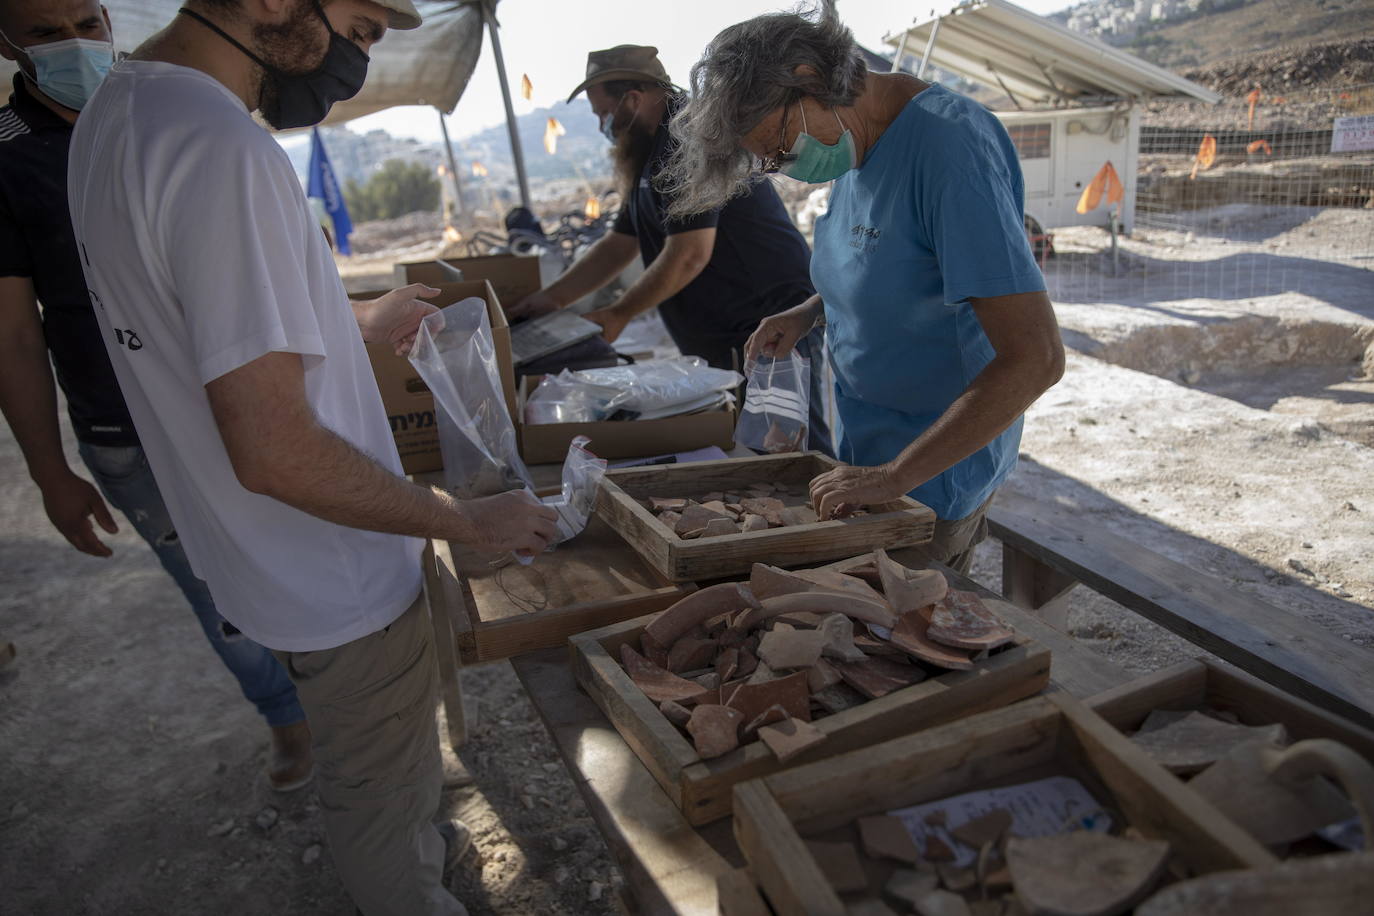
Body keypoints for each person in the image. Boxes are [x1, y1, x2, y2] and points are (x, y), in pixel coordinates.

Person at [66, 1, 559, 913]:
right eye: (362, 27)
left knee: (392, 776)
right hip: (333, 572)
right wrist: (462, 521)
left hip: (259, 561)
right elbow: (277, 452)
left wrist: (355, 319)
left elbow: (203, 311)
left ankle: (419, 846)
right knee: (374, 796)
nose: (355, 60)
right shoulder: (223, 149)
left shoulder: (119, 114)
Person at [0, 0, 314, 790]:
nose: (75, 44)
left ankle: (348, 705)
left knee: (305, 551)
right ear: (5, 44)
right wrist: (50, 473)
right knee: (219, 592)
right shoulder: (6, 158)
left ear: (109, 20)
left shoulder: (164, 108)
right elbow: (12, 336)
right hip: (128, 425)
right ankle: (289, 716)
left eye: (85, 23)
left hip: (236, 396)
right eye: (45, 34)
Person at [660, 6, 1065, 572]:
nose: (781, 166)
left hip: (932, 471)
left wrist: (895, 476)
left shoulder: (949, 150)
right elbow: (895, 267)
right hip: (869, 455)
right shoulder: (855, 143)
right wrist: (808, 312)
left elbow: (1036, 358)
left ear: (807, 80)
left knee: (902, 633)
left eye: (776, 147)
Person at [510, 44, 832, 454]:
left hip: (766, 321)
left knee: (792, 447)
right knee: (747, 450)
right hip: (724, 331)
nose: (600, 125)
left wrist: (619, 313)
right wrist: (551, 298)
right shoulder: (649, 151)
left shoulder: (689, 139)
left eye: (601, 113)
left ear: (632, 99)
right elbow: (619, 244)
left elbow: (689, 253)